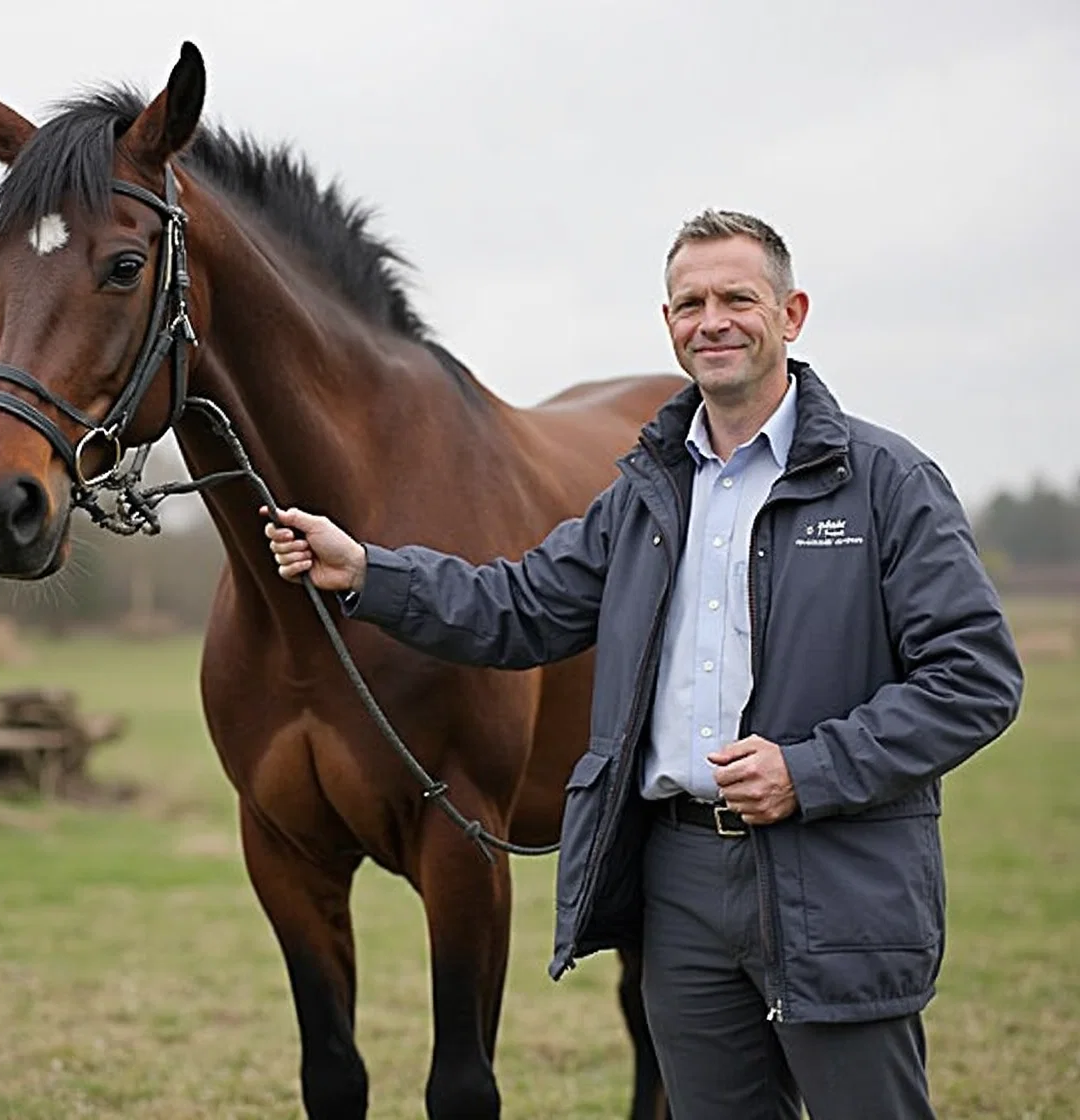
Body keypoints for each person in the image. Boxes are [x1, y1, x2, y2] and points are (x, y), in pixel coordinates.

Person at [262, 209, 1023, 1119]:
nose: (714, 320)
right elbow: (522, 606)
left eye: (739, 297)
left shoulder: (887, 481)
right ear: (669, 325)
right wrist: (369, 571)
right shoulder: (647, 492)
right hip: (682, 885)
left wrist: (808, 769)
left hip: (835, 876)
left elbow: (976, 677)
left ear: (793, 314)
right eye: (690, 302)